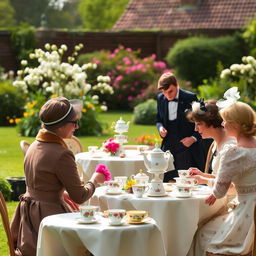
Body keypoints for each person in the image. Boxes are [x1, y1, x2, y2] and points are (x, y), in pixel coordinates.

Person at [11, 97, 107, 256]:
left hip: (28, 217)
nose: (76, 126)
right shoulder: (62, 153)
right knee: (94, 244)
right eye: (74, 122)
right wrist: (95, 180)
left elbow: (42, 183)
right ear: (61, 126)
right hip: (49, 219)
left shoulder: (34, 145)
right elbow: (80, 196)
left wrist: (60, 192)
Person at [190, 100, 256, 256]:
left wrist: (211, 189)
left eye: (225, 121)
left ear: (234, 125)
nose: (223, 124)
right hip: (252, 210)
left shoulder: (233, 152)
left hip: (247, 215)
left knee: (202, 232)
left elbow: (219, 191)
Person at [156, 72, 205, 181]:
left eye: (170, 91)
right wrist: (160, 128)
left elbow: (202, 122)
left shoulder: (190, 97)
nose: (167, 96)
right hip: (168, 146)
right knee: (166, 179)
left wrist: (193, 138)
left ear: (176, 84)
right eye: (164, 92)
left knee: (187, 180)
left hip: (186, 148)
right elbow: (158, 120)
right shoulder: (160, 98)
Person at [186, 99, 236, 190]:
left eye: (199, 124)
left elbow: (233, 184)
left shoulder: (230, 147)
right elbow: (220, 177)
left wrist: (204, 180)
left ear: (211, 122)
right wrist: (202, 175)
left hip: (231, 201)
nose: (195, 129)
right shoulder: (214, 144)